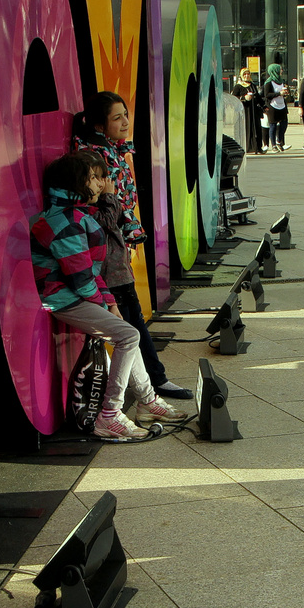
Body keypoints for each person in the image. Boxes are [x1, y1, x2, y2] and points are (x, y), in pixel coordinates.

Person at [30, 152, 188, 440]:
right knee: (128, 336)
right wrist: (104, 304)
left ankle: (147, 402)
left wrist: (110, 303)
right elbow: (81, 278)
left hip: (75, 294)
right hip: (62, 298)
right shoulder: (64, 222)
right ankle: (110, 415)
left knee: (127, 334)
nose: (101, 184)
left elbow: (91, 271)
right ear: (73, 184)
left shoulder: (78, 217)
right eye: (92, 178)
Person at [72, 93, 192, 400]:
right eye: (117, 118)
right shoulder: (94, 157)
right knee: (129, 321)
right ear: (100, 124)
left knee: (130, 320)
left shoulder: (111, 150)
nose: (125, 122)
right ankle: (147, 387)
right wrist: (117, 214)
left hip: (116, 245)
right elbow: (99, 210)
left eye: (125, 115)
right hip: (105, 250)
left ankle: (149, 386)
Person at [233, 67, 266, 154]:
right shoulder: (238, 86)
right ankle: (246, 147)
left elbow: (258, 97)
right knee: (247, 128)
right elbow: (234, 98)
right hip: (245, 111)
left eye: (248, 74)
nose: (247, 76)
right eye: (245, 74)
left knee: (257, 128)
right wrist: (244, 98)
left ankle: (258, 147)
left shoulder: (252, 85)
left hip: (254, 110)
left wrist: (264, 106)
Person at [264, 63, 291, 151]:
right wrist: (279, 94)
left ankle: (279, 141)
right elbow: (267, 95)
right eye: (280, 69)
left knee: (284, 124)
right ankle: (273, 145)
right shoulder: (268, 82)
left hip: (282, 105)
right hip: (272, 106)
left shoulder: (281, 81)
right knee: (273, 125)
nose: (281, 71)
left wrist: (285, 93)